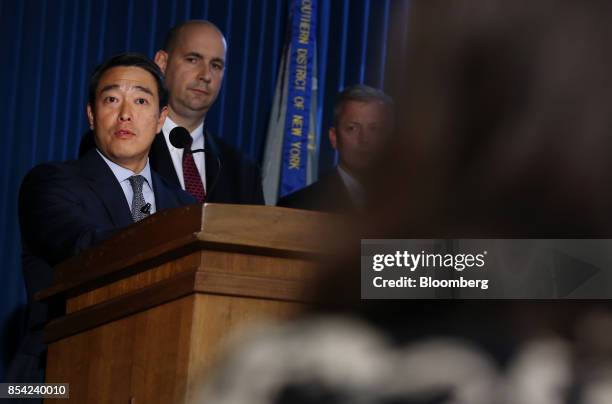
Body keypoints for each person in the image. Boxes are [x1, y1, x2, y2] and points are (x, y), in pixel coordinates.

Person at [7, 53, 195, 386]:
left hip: (160, 373)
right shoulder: (50, 183)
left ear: (160, 118)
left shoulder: (184, 206)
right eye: (111, 99)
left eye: (140, 100)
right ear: (92, 115)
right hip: (56, 376)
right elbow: (84, 247)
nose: (125, 114)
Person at [152, 20, 264, 204]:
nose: (205, 75)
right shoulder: (125, 149)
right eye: (193, 59)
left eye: (216, 65)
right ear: (162, 62)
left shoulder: (243, 171)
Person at [277, 85, 393, 213]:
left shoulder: (410, 205)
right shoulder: (297, 206)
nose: (364, 139)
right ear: (334, 138)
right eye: (352, 128)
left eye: (374, 129)